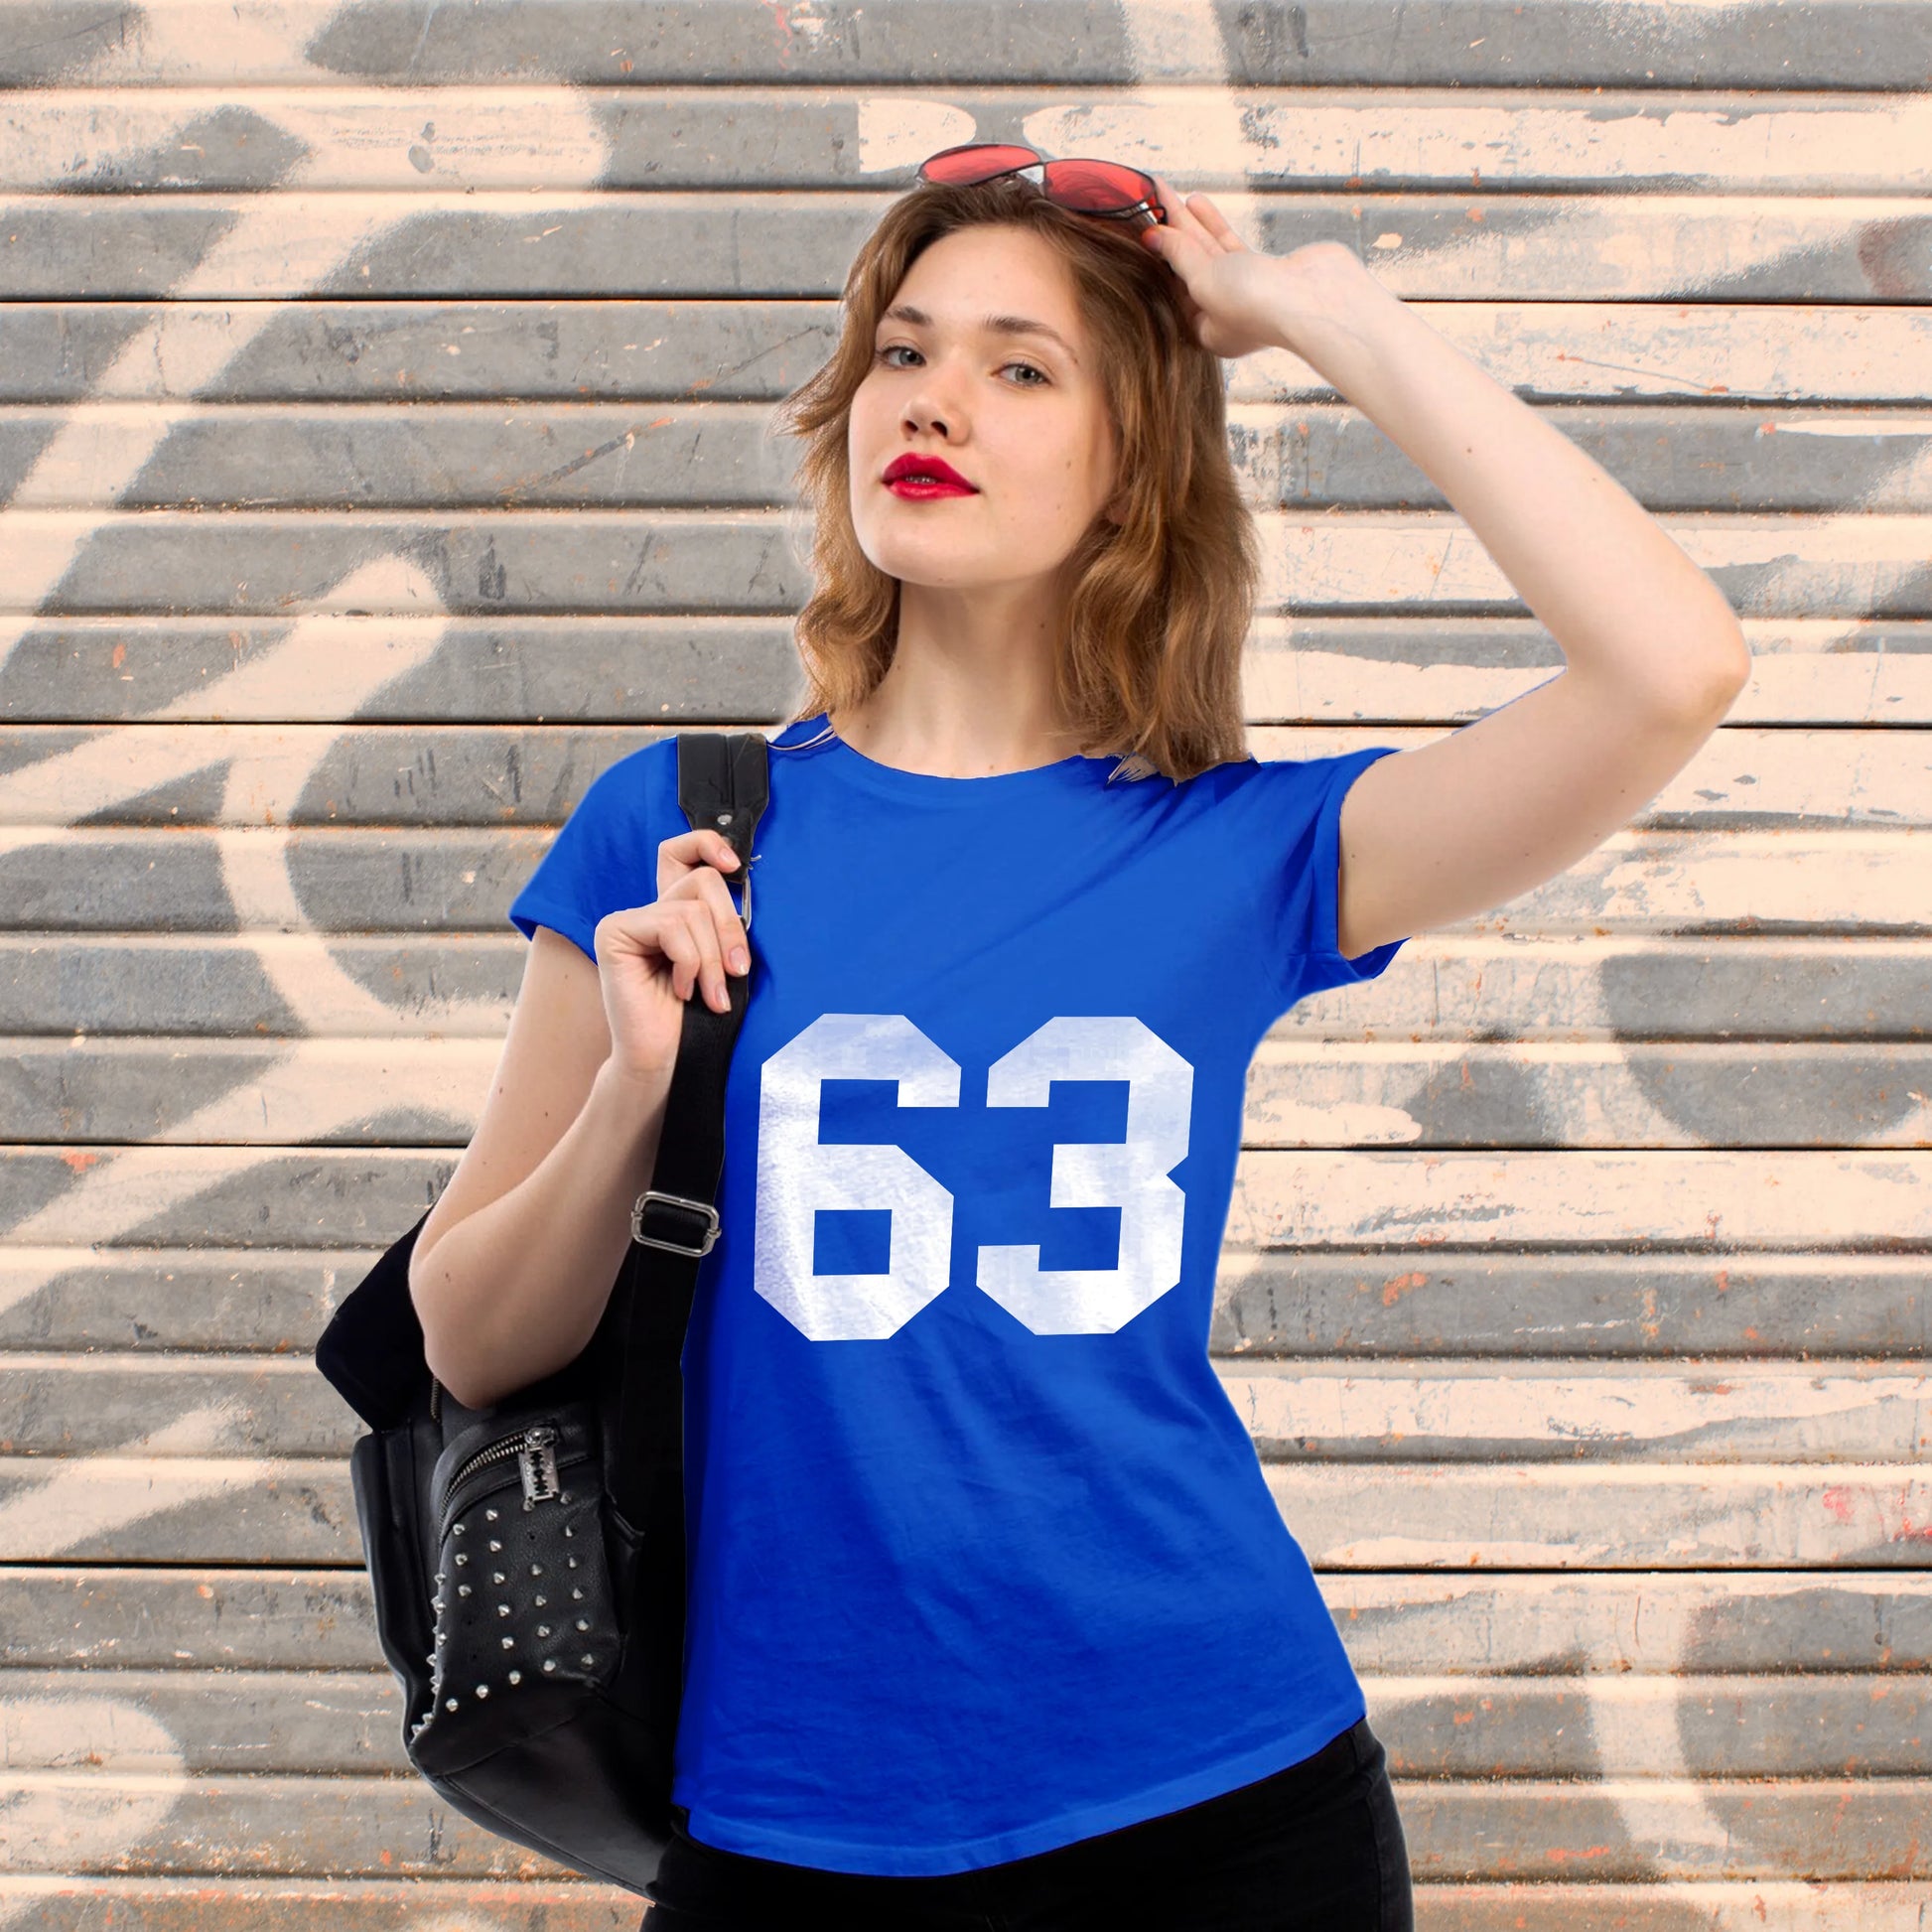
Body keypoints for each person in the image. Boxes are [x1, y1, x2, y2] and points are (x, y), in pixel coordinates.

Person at [408, 150, 1750, 1931]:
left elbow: (1670, 667)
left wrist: (1326, 317)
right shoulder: (676, 827)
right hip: (787, 1813)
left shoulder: (1244, 848)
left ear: (1132, 470)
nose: (932, 401)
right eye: (903, 351)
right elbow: (470, 1334)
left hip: (1214, 1803)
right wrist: (632, 1096)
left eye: (1021, 367)